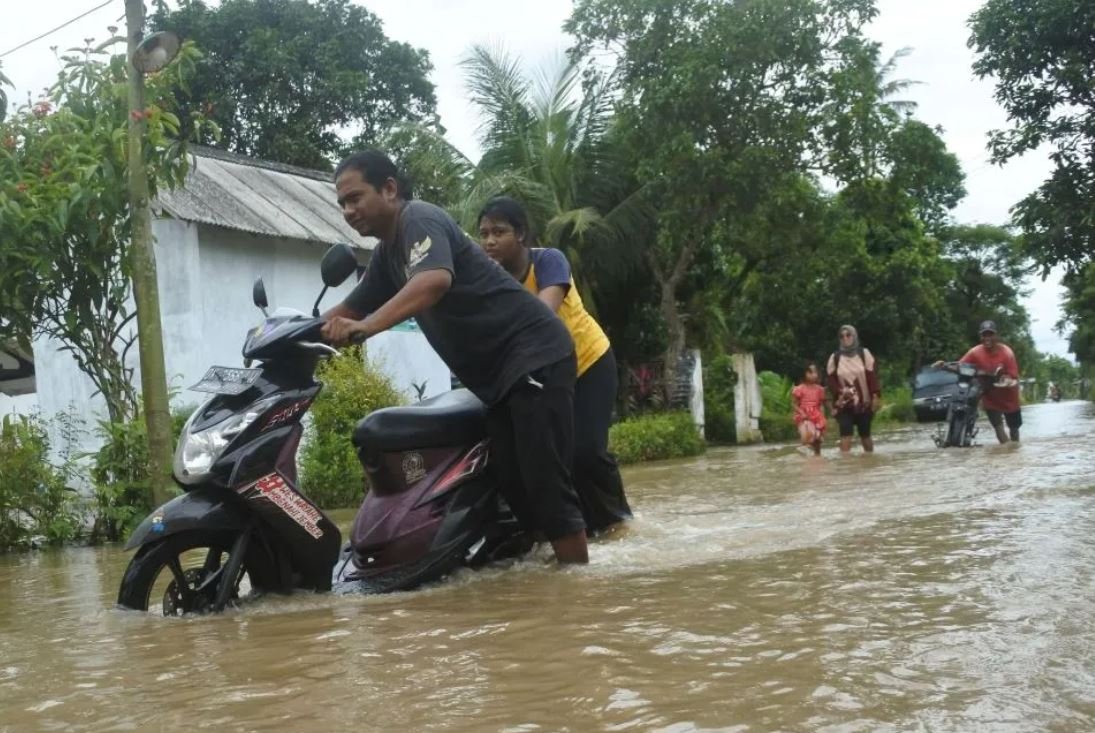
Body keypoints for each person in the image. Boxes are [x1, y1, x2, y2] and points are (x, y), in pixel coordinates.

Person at [320, 151, 588, 563]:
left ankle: (577, 585)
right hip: (500, 379)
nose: (348, 211)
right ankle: (538, 576)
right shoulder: (388, 255)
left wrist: (368, 327)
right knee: (512, 482)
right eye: (342, 204)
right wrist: (292, 334)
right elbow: (349, 308)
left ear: (389, 189)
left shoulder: (419, 219)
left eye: (355, 198)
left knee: (545, 484)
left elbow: (432, 281)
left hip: (534, 355)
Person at [477, 196, 632, 534]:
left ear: (521, 234)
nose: (489, 242)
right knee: (537, 460)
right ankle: (570, 529)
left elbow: (541, 317)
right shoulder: (485, 280)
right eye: (484, 234)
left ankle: (618, 523)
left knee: (585, 451)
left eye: (499, 232)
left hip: (588, 363)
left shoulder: (549, 260)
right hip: (541, 377)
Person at [935, 320, 1021, 444]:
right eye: (984, 335)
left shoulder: (1007, 353)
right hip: (990, 395)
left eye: (990, 334)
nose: (987, 338)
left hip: (1009, 396)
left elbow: (1014, 377)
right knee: (998, 428)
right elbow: (960, 367)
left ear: (996, 336)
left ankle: (1015, 449)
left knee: (1014, 429)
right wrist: (944, 366)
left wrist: (1007, 381)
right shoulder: (975, 352)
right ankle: (1007, 451)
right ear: (980, 337)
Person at [826, 325, 881, 453]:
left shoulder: (864, 354)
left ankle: (870, 460)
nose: (845, 338)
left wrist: (875, 396)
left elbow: (872, 376)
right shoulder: (835, 357)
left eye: (848, 335)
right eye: (842, 336)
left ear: (854, 336)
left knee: (865, 435)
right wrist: (839, 393)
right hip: (844, 404)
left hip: (864, 403)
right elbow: (830, 380)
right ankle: (846, 463)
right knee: (845, 435)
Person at [791, 362, 826, 455]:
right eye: (810, 372)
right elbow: (794, 404)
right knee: (806, 436)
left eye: (815, 372)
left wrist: (823, 417)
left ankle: (817, 457)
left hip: (817, 416)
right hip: (803, 417)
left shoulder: (820, 389)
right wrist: (802, 413)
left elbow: (821, 405)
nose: (814, 375)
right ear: (803, 374)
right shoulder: (799, 389)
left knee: (817, 439)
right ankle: (803, 452)